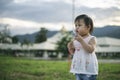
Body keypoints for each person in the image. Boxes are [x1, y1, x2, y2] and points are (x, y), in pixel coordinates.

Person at [67, 14, 98, 80]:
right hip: (78, 68)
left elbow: (91, 50)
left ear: (88, 27)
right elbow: (73, 53)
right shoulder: (76, 40)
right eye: (76, 25)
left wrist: (81, 41)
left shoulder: (92, 38)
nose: (77, 27)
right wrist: (70, 47)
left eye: (79, 25)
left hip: (89, 69)